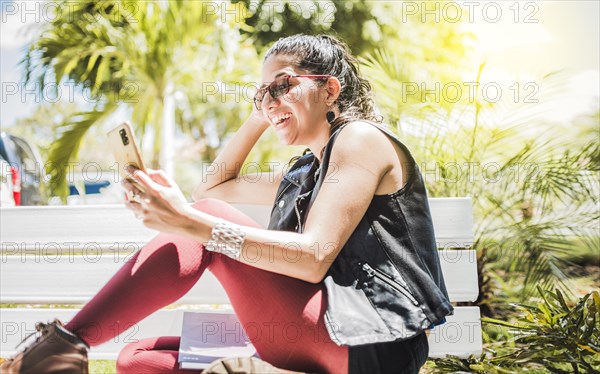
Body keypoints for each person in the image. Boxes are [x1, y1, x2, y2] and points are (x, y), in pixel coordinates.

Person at [1, 34, 452, 374]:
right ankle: (62, 351)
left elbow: (314, 258)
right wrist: (262, 112)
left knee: (209, 222)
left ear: (330, 90)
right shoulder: (306, 172)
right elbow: (213, 189)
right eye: (262, 92)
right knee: (138, 359)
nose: (270, 100)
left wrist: (190, 224)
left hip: (368, 340)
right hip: (318, 330)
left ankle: (57, 348)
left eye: (283, 85)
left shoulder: (359, 140)